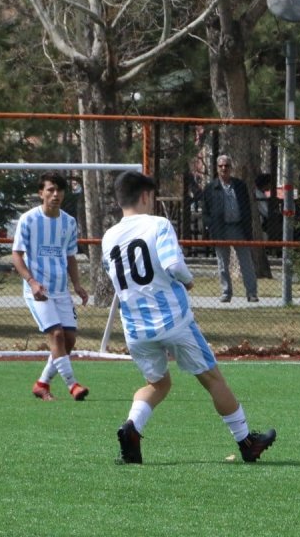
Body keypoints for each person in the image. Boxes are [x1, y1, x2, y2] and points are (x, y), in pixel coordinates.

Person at [104, 171, 276, 465]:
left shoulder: (108, 237)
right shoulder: (158, 224)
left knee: (157, 384)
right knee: (212, 379)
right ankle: (247, 441)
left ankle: (132, 427)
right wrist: (188, 279)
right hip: (174, 320)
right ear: (146, 196)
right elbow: (173, 264)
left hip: (135, 327)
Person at [12, 172, 90, 402]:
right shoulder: (29, 219)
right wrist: (32, 282)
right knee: (56, 335)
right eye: (51, 190)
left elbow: (70, 256)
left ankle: (41, 383)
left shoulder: (68, 222)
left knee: (69, 340)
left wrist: (77, 284)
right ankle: (73, 385)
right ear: (41, 193)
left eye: (60, 190)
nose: (56, 195)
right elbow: (16, 255)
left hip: (61, 290)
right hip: (38, 292)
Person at [201, 154, 258, 303]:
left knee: (246, 263)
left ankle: (251, 293)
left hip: (239, 228)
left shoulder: (240, 186)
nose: (224, 168)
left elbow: (247, 207)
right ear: (217, 168)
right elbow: (205, 212)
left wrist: (248, 225)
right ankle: (226, 293)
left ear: (231, 168)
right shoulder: (210, 188)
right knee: (222, 264)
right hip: (221, 229)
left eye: (226, 166)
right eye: (221, 166)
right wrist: (210, 225)